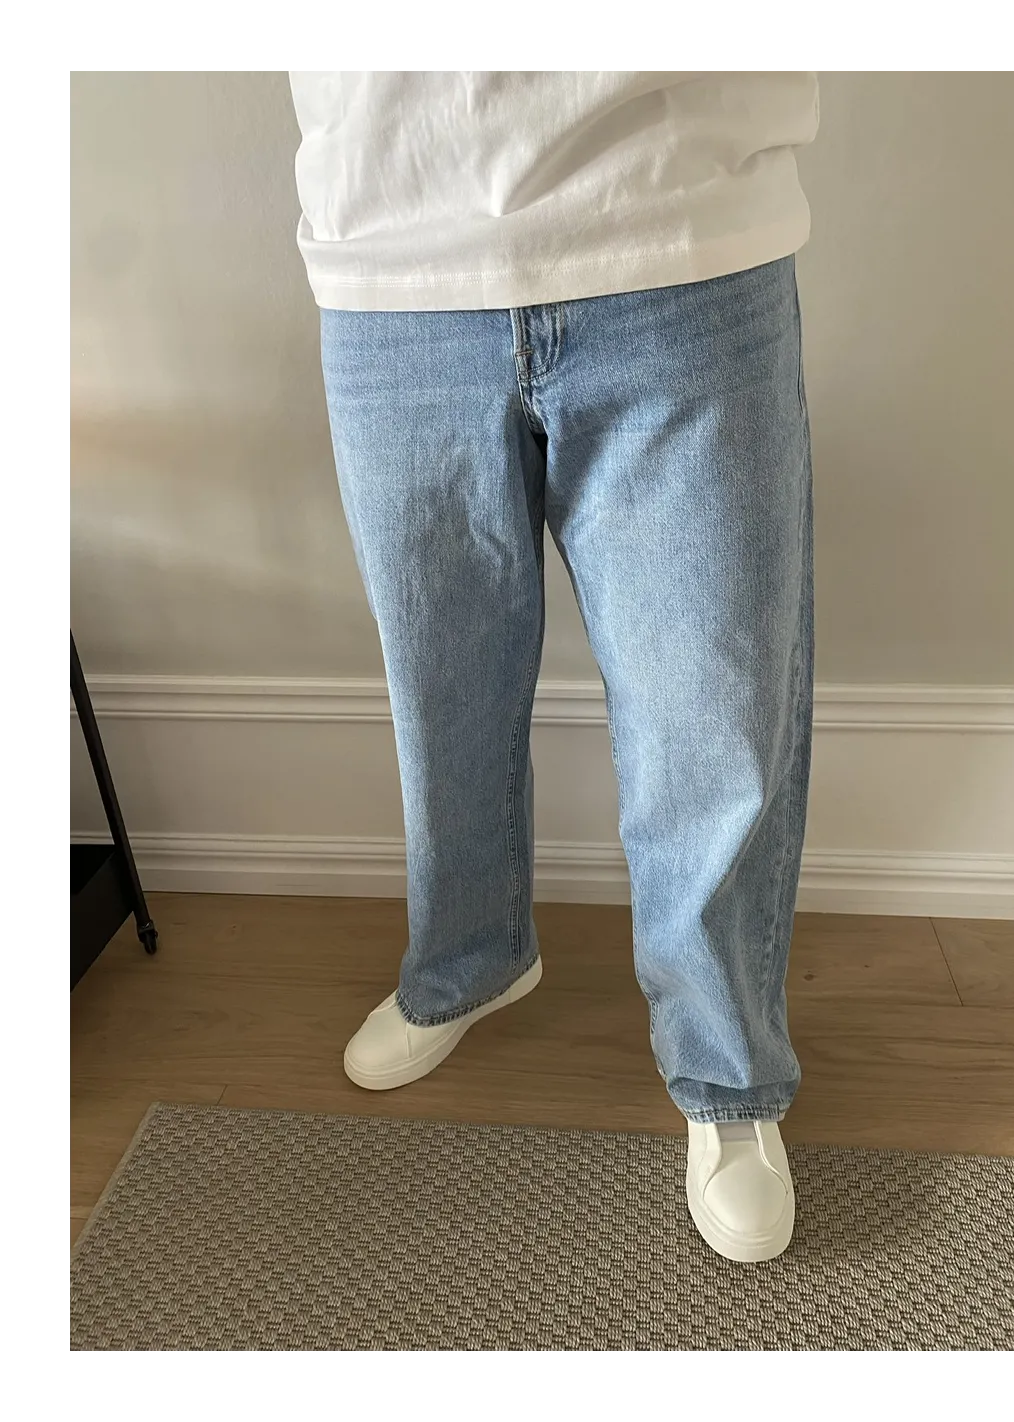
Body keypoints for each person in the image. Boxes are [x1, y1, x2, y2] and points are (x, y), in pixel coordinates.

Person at [288, 64, 818, 1263]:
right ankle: (469, 960)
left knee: (711, 713)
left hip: (676, 224)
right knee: (441, 691)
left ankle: (726, 1070)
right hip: (389, 252)